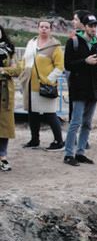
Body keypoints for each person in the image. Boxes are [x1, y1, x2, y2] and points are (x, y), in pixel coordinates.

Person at [63, 12, 97, 167]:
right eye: (91, 26)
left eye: (95, 26)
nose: (94, 28)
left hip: (93, 89)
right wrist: (85, 61)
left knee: (87, 123)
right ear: (84, 26)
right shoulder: (73, 42)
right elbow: (68, 65)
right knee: (75, 122)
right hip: (79, 88)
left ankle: (80, 152)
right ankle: (69, 154)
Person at [22, 19, 65, 150]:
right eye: (42, 27)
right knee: (32, 113)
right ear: (38, 28)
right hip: (30, 84)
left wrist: (49, 79)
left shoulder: (54, 46)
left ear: (50, 29)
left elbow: (59, 66)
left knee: (50, 114)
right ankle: (34, 140)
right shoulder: (31, 43)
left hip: (46, 85)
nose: (44, 29)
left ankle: (59, 141)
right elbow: (25, 60)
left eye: (47, 27)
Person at [0, 25, 24, 172]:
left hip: (5, 93)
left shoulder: (9, 50)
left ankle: (3, 157)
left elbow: (17, 70)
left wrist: (2, 70)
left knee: (4, 126)